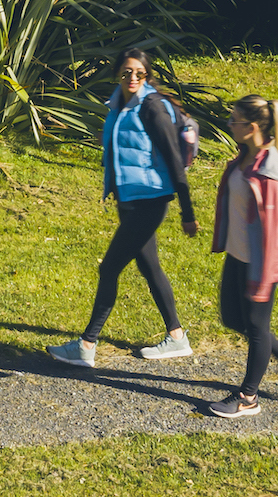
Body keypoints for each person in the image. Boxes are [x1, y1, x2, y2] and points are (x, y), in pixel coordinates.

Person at [49, 48, 198, 368]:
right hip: (129, 200)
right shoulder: (118, 102)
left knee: (109, 268)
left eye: (139, 74)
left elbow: (174, 161)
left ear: (147, 76)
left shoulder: (152, 107)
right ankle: (177, 338)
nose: (132, 78)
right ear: (118, 73)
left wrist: (188, 213)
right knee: (149, 267)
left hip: (151, 201)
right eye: (127, 72)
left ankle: (86, 345)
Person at [201, 93, 278, 419]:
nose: (229, 124)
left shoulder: (271, 172)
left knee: (255, 327)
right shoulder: (246, 158)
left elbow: (275, 232)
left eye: (234, 120)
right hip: (239, 255)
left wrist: (262, 278)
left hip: (261, 263)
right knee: (233, 318)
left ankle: (248, 398)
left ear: (251, 127)